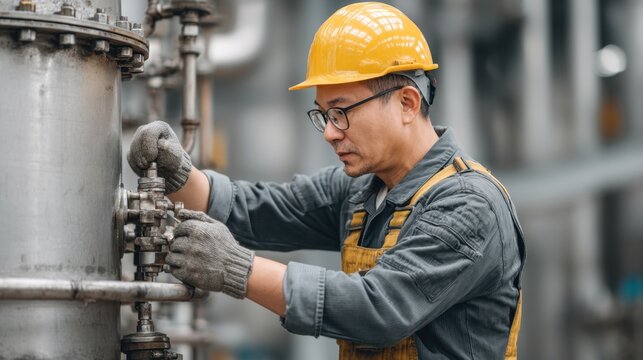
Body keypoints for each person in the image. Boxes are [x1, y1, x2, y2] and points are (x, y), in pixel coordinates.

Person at [127, 2, 526, 359]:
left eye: (341, 112)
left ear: (407, 102)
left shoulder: (468, 204)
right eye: (323, 115)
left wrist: (237, 269)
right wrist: (179, 175)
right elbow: (264, 210)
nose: (330, 133)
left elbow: (378, 308)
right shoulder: (360, 189)